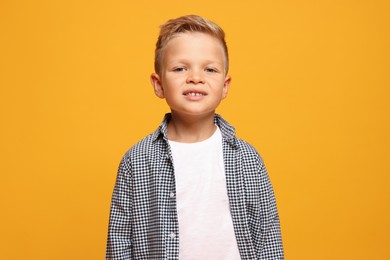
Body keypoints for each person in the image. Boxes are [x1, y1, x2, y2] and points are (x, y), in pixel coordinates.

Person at [106, 15, 284, 259]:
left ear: (225, 86)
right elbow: (119, 242)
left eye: (209, 69)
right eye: (180, 68)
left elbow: (267, 237)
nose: (196, 77)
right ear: (159, 85)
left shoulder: (247, 159)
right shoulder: (137, 161)